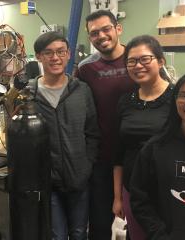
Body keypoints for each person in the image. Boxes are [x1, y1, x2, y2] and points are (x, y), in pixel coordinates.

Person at [31, 31, 100, 240]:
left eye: (61, 52)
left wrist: (86, 166)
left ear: (69, 54)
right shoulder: (29, 95)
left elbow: (92, 132)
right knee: (56, 235)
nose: (55, 58)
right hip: (47, 181)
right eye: (48, 53)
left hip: (79, 178)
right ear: (38, 57)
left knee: (79, 233)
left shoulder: (81, 90)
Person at [75, 10, 134, 240]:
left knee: (139, 224)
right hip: (102, 161)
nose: (101, 35)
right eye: (94, 33)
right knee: (100, 225)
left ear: (118, 28)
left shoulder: (138, 59)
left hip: (137, 158)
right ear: (90, 38)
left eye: (106, 29)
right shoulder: (86, 70)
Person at [113, 35, 174, 240]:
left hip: (169, 192)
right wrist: (118, 197)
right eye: (131, 61)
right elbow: (119, 154)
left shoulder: (177, 99)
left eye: (145, 59)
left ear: (161, 61)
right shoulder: (125, 102)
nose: (138, 65)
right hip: (133, 192)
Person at [130, 71, 185, 240]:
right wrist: (160, 235)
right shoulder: (155, 148)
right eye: (184, 96)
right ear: (175, 101)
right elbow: (140, 199)